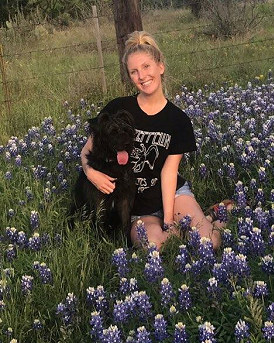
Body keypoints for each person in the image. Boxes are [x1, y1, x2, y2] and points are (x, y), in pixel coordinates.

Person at [80, 30, 232, 250]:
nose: (141, 76)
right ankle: (196, 222)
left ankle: (219, 215)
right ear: (129, 76)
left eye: (146, 67)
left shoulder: (178, 120)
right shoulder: (118, 108)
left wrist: (169, 220)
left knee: (209, 243)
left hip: (174, 196)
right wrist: (90, 173)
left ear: (160, 66)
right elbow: (87, 151)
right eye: (134, 71)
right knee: (154, 246)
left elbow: (169, 172)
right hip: (137, 205)